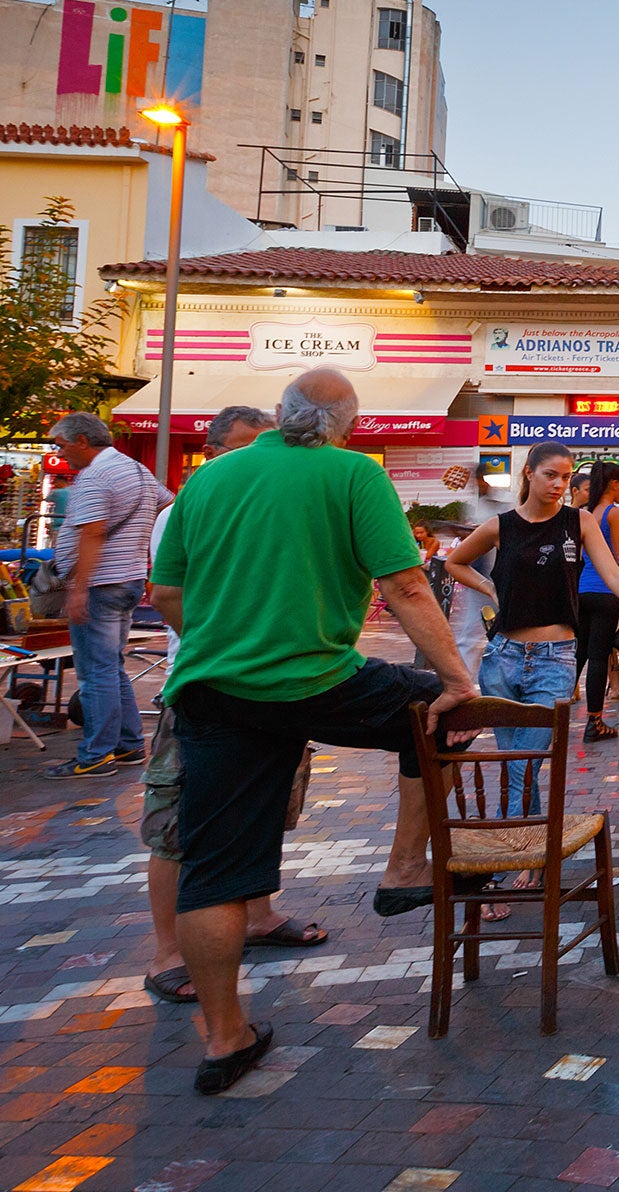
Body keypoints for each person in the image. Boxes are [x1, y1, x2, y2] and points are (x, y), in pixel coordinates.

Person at [150, 369, 480, 1095]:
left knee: (214, 872)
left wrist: (227, 645)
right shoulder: (353, 475)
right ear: (346, 424)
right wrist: (457, 678)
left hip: (212, 690)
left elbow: (165, 593)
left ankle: (224, 1039)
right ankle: (400, 873)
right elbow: (406, 585)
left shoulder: (209, 479)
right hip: (317, 680)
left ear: (280, 414)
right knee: (441, 716)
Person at [141, 407, 325, 1007]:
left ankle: (258, 916)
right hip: (202, 691)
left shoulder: (269, 506)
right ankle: (169, 952)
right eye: (241, 449)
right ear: (213, 451)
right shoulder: (184, 510)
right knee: (177, 824)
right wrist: (226, 655)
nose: (255, 461)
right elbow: (171, 596)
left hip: (274, 689)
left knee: (268, 807)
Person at [445, 443, 619, 794]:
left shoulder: (579, 521)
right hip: (503, 657)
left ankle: (516, 835)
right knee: (514, 758)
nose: (559, 484)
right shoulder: (502, 525)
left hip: (555, 658)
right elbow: (455, 562)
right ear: (529, 472)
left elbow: (614, 575)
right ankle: (524, 837)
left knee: (528, 758)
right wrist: (490, 588)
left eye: (566, 477)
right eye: (550, 475)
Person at [42, 413, 173, 779]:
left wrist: (79, 589)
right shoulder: (134, 469)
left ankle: (95, 755)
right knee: (110, 666)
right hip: (128, 578)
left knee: (94, 672)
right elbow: (169, 503)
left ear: (82, 440)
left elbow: (93, 533)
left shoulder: (97, 476)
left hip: (101, 583)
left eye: (61, 444)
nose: (60, 452)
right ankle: (128, 744)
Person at [573, 461, 619, 742]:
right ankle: (594, 723)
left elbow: (581, 558)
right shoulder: (613, 514)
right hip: (605, 593)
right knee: (597, 657)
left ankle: (552, 715)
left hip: (582, 592)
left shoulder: (586, 512)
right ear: (613, 484)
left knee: (579, 655)